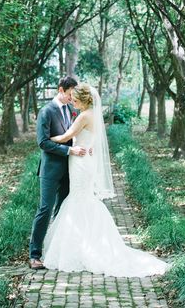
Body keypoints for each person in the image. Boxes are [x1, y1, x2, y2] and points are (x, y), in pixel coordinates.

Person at [42, 82, 169, 277]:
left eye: (75, 100)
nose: (72, 102)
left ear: (83, 101)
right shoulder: (93, 115)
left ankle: (82, 247)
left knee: (79, 199)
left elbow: (67, 135)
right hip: (86, 159)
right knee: (82, 199)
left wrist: (48, 139)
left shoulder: (84, 116)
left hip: (80, 161)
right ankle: (86, 242)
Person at [29, 76, 88, 270]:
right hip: (50, 169)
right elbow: (43, 142)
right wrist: (69, 150)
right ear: (61, 90)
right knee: (45, 209)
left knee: (62, 211)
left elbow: (73, 136)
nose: (73, 98)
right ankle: (34, 254)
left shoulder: (72, 110)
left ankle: (55, 251)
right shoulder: (46, 111)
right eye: (70, 94)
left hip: (71, 169)